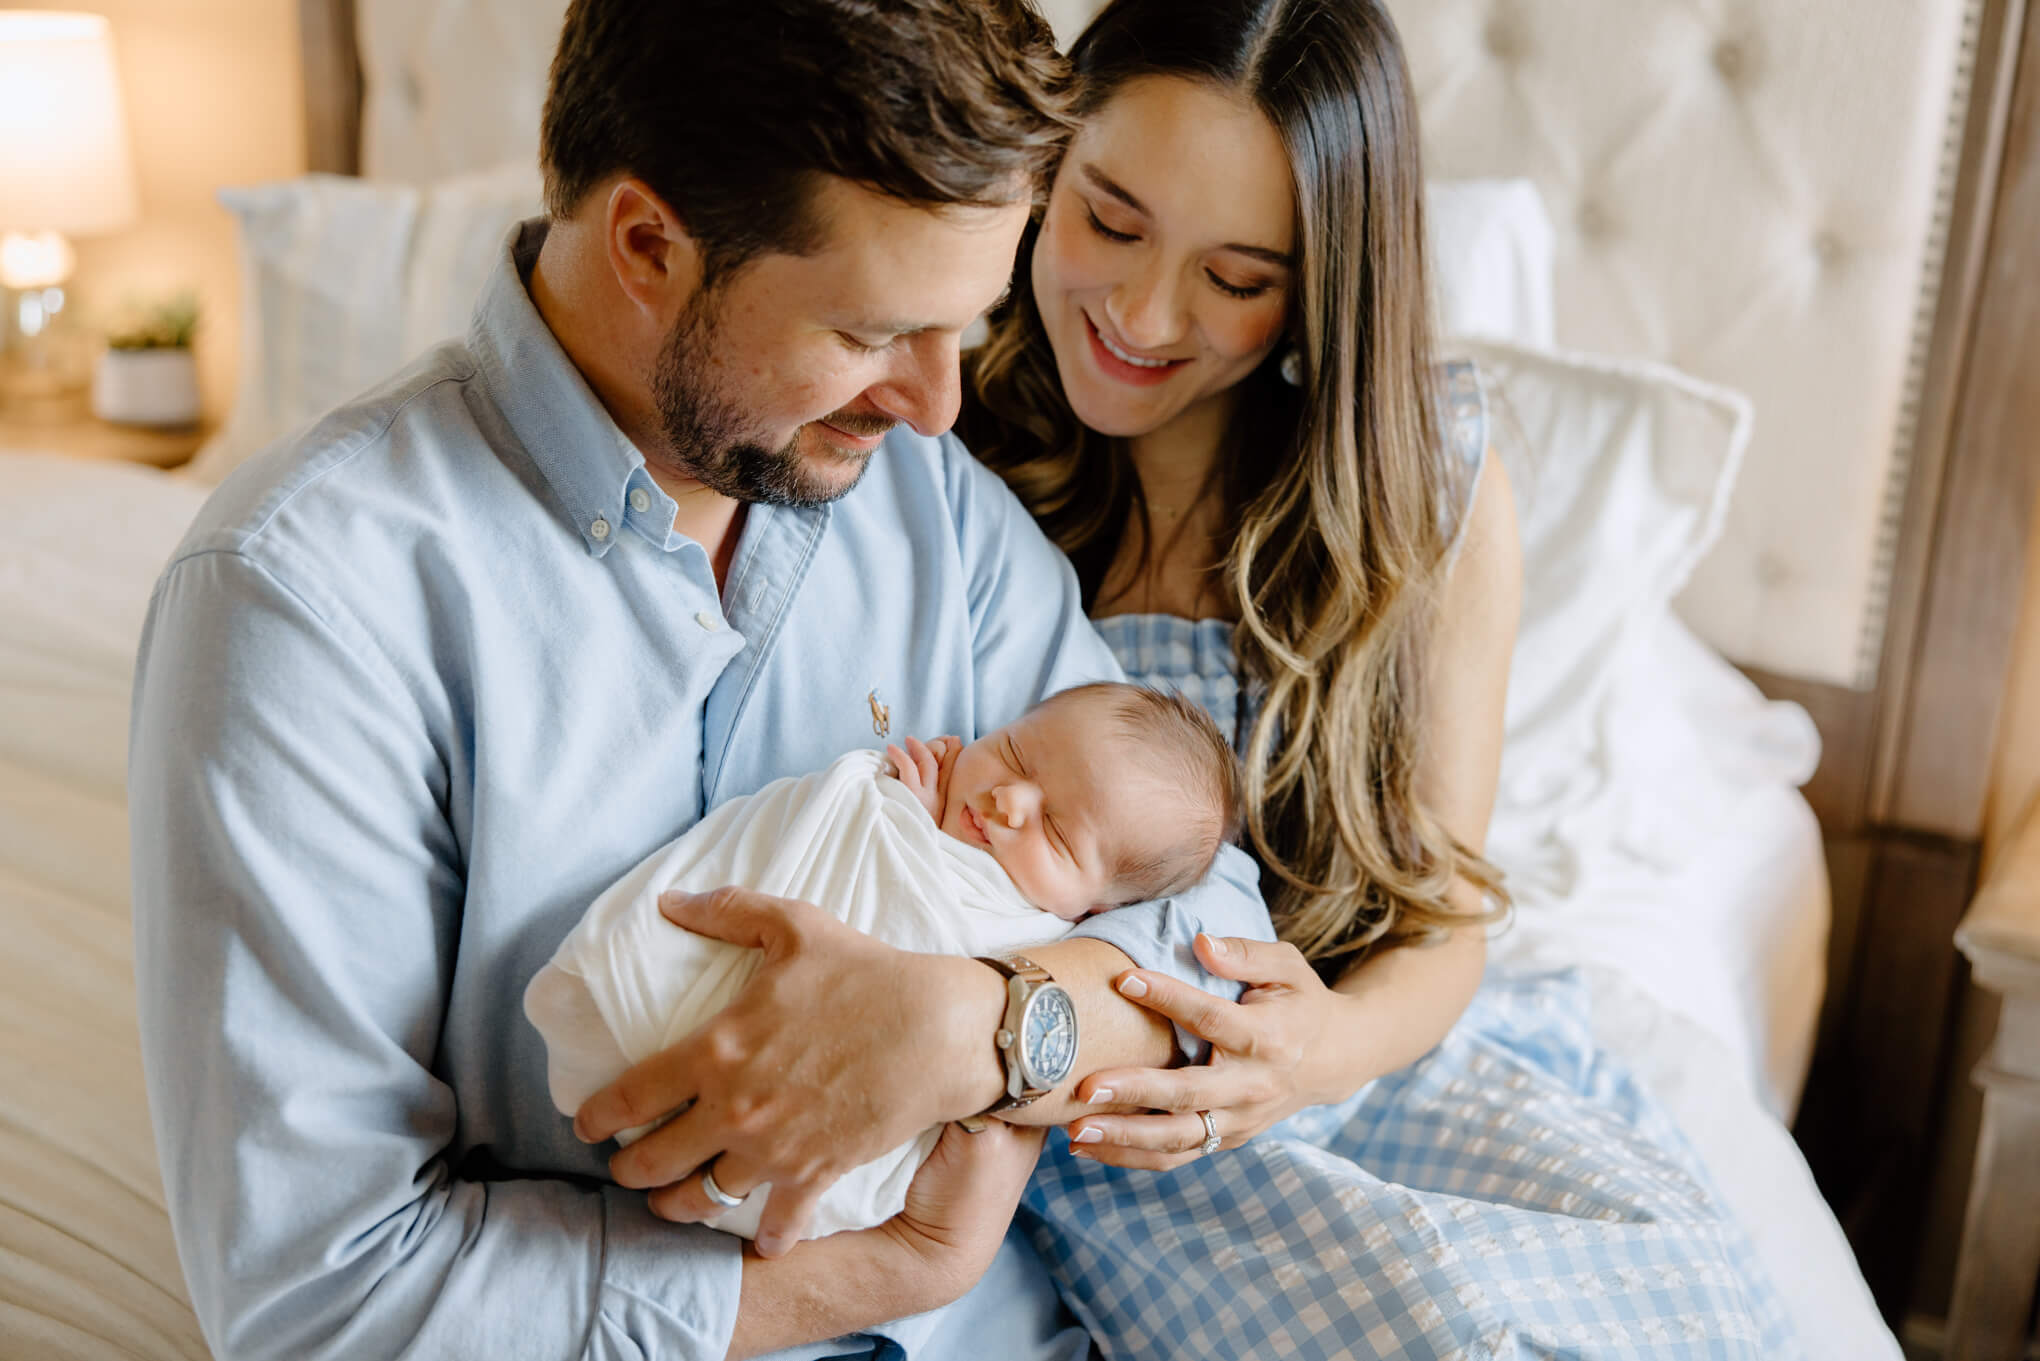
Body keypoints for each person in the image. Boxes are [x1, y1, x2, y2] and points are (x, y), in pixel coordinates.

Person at [126, 4, 1277, 1359]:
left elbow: (1211, 916)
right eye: (873, 331)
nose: (938, 405)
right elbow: (327, 1299)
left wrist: (984, 1025)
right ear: (649, 247)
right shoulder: (306, 604)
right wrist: (884, 1272)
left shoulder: (928, 510)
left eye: (963, 328)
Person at [957, 0, 1805, 1355]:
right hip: (1096, 1092)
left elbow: (1441, 917)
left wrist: (1323, 1051)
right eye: (1110, 221)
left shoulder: (1431, 483)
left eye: (1238, 279)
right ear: (1048, 166)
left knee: (1688, 1305)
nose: (1142, 313)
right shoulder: (944, 439)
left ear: (1323, 287)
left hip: (1351, 1050)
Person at [525, 682, 1243, 1244]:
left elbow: (941, 935)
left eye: (1055, 830)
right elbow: (860, 842)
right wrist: (905, 815)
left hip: (804, 1183)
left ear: (1091, 912)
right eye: (1017, 754)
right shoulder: (929, 793)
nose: (1007, 798)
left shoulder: (1044, 932)